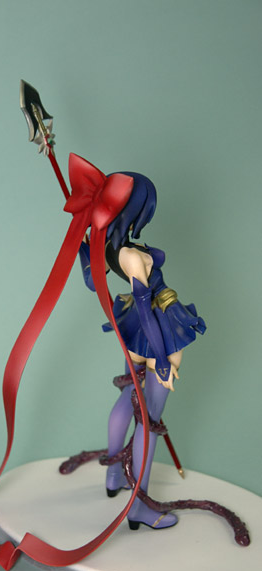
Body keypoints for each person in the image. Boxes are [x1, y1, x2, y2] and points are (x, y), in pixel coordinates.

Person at [78, 171, 206, 530]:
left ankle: (114, 475)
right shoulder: (131, 256)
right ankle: (139, 506)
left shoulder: (106, 246)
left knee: (127, 397)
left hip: (134, 326)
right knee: (148, 421)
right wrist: (162, 357)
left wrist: (85, 245)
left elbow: (94, 283)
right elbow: (147, 309)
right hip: (154, 328)